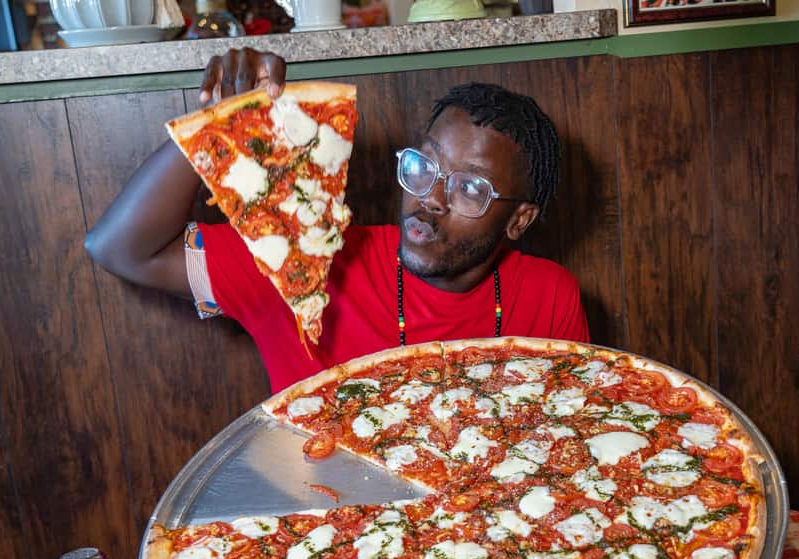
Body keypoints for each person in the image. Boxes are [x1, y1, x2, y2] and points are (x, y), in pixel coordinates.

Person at [85, 48, 589, 393]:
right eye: (424, 165)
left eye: (470, 187)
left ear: (519, 221)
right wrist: (220, 126)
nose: (430, 198)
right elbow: (120, 249)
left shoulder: (550, 295)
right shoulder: (309, 257)